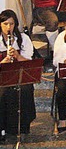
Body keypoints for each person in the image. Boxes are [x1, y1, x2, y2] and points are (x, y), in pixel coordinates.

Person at [0, 10, 36, 141]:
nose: (8, 27)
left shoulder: (23, 39)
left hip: (20, 75)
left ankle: (23, 127)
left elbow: (30, 64)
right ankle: (3, 128)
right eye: (5, 24)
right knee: (2, 92)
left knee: (25, 89)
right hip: (2, 77)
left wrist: (17, 56)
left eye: (11, 24)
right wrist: (4, 61)